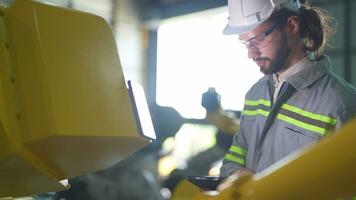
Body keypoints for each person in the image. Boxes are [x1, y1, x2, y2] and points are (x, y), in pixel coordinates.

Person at [220, 0, 356, 178]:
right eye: (246, 43)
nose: (250, 54)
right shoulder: (255, 94)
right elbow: (233, 160)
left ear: (292, 25)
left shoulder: (341, 104)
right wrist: (238, 174)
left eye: (257, 39)